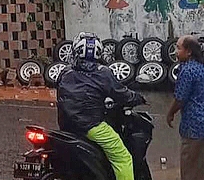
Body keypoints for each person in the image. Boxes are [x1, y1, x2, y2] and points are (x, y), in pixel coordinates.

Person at [56, 32, 145, 180]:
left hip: (66, 124)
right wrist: (138, 98)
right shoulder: (102, 73)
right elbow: (121, 94)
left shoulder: (65, 71)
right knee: (122, 157)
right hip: (91, 125)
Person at [166, 35, 204, 180]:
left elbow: (180, 98)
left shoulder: (187, 70)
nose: (175, 51)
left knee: (193, 173)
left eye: (178, 48)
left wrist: (170, 113)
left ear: (189, 52)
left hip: (195, 131)